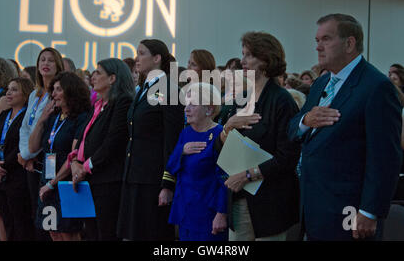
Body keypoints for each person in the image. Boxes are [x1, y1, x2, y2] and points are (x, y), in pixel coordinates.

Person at [288, 13, 402, 241]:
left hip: (349, 211)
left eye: (326, 39)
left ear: (349, 43)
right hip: (313, 207)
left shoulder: (376, 87)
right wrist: (305, 121)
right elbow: (293, 129)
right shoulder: (322, 82)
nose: (318, 47)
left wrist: (369, 211)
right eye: (317, 40)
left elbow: (385, 157)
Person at [217, 31, 301, 241]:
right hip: (238, 195)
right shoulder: (242, 98)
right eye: (242, 54)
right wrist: (227, 128)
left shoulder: (282, 100)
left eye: (249, 55)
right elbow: (221, 149)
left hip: (270, 198)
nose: (242, 61)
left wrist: (247, 175)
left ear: (266, 59)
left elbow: (287, 157)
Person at [117, 39, 184, 241]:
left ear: (156, 58)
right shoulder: (145, 88)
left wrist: (167, 183)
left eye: (142, 53)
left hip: (153, 179)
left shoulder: (168, 90)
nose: (137, 58)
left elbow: (172, 140)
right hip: (134, 175)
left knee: (152, 234)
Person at [67, 58, 134, 241]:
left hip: (108, 181)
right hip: (89, 180)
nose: (92, 76)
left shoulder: (123, 101)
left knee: (106, 234)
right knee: (90, 234)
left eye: (98, 72)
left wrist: (84, 167)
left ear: (112, 78)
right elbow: (83, 138)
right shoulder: (97, 104)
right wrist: (74, 161)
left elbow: (112, 142)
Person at [159, 82, 228, 241]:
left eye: (193, 104)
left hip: (208, 212)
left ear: (209, 109)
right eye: (186, 104)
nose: (186, 109)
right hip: (185, 209)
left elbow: (225, 178)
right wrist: (181, 151)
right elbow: (171, 164)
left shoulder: (221, 135)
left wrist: (221, 212)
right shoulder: (186, 133)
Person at [28, 72, 91, 241]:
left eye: (58, 90)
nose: (53, 94)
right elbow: (32, 147)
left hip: (67, 183)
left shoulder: (81, 117)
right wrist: (42, 119)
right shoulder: (53, 117)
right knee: (53, 231)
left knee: (68, 232)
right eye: (53, 90)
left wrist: (52, 183)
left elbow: (74, 155)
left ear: (71, 91)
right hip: (47, 181)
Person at [18, 47, 64, 241]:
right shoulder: (34, 95)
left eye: (50, 60)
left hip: (46, 162)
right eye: (42, 60)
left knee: (49, 219)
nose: (45, 63)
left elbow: (49, 131)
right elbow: (24, 128)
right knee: (34, 215)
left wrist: (29, 154)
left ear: (58, 66)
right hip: (29, 161)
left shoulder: (57, 94)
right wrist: (24, 155)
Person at [0, 78, 34, 241]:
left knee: (21, 222)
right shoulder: (4, 115)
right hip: (0, 176)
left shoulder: (27, 117)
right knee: (7, 221)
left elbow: (22, 145)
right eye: (8, 89)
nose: (8, 93)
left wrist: (4, 164)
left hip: (17, 174)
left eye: (14, 90)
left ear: (25, 94)